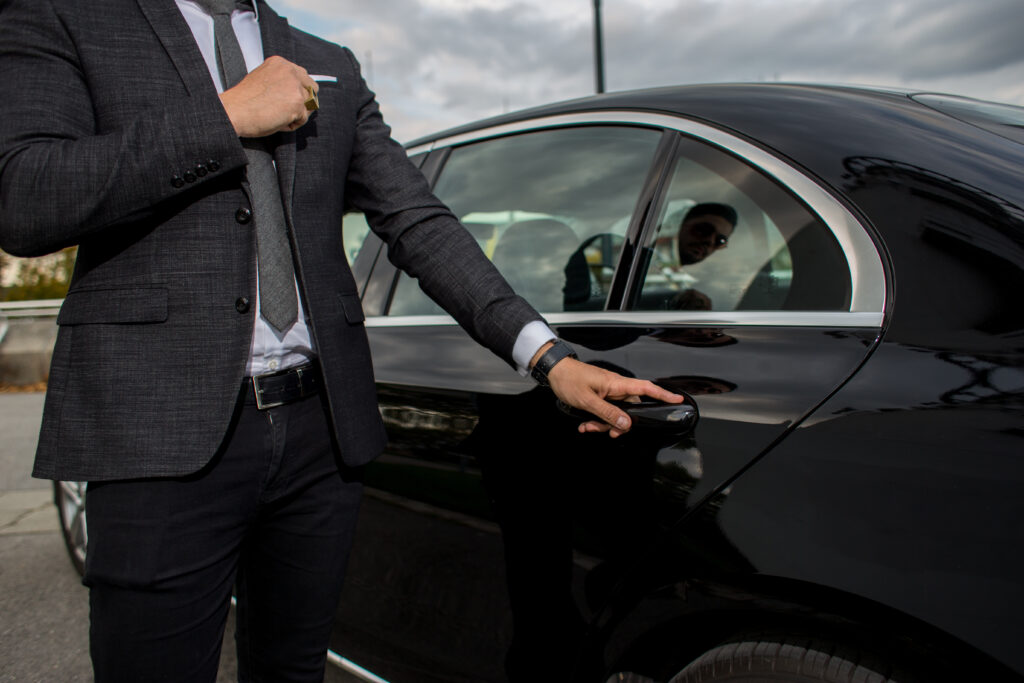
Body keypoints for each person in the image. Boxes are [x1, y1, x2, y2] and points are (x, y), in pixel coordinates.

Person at [0, 1, 681, 681]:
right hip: (156, 433)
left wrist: (547, 355)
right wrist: (226, 117)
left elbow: (417, 220)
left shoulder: (331, 65)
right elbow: (25, 199)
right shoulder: (68, 18)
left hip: (317, 436)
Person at [671, 202, 738, 310]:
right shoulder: (641, 263)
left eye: (720, 240)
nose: (710, 241)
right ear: (679, 225)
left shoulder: (710, 286)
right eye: (704, 229)